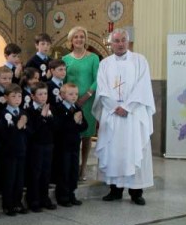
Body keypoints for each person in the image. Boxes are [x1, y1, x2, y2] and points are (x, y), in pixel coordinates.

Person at [93, 28, 155, 206]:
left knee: (134, 148)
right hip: (112, 113)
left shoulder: (139, 61)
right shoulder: (105, 63)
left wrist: (127, 107)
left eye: (123, 40)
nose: (120, 44)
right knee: (113, 151)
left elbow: (142, 87)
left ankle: (136, 192)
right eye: (116, 41)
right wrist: (114, 106)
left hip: (133, 115)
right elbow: (102, 88)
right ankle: (115, 190)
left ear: (128, 42)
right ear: (111, 44)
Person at [62, 26, 99, 180]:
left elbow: (98, 79)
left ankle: (83, 168)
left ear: (85, 39)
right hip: (70, 102)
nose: (79, 39)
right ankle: (72, 166)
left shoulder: (93, 58)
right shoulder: (65, 59)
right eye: (76, 37)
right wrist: (68, 98)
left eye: (81, 36)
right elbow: (63, 80)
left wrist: (87, 95)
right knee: (72, 134)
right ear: (71, 40)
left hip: (88, 102)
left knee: (86, 136)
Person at [52, 83, 88, 207]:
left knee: (73, 170)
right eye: (70, 94)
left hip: (74, 145)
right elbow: (59, 127)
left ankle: (71, 193)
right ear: (62, 95)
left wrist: (80, 122)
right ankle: (63, 196)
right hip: (63, 146)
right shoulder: (58, 108)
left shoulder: (77, 108)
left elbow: (85, 126)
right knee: (64, 170)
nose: (74, 97)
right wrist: (73, 121)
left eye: (76, 94)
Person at [0, 84, 29, 216]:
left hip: (21, 150)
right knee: (9, 178)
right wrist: (18, 126)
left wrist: (25, 127)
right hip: (9, 152)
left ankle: (17, 202)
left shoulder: (23, 113)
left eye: (19, 96)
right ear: (5, 98)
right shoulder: (3, 114)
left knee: (19, 179)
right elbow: (4, 134)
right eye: (13, 96)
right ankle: (8, 204)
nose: (17, 99)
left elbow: (30, 132)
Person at [25, 82, 57, 212]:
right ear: (32, 96)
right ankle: (33, 200)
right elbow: (32, 130)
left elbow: (55, 128)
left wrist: (49, 117)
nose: (43, 97)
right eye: (40, 94)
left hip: (48, 144)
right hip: (35, 146)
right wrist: (42, 117)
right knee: (35, 173)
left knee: (46, 173)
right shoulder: (29, 110)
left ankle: (45, 198)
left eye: (45, 94)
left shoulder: (50, 109)